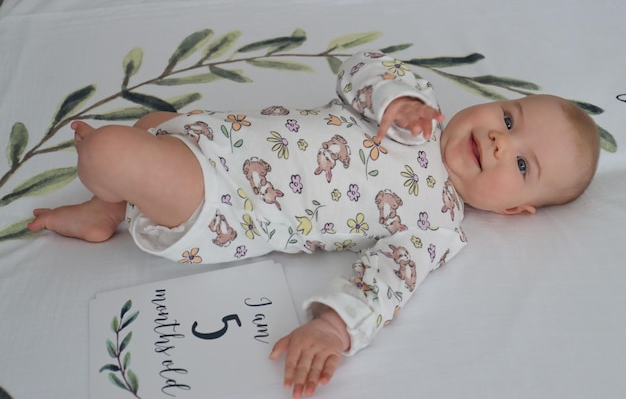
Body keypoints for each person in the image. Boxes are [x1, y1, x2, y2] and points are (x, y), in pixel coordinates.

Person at [28, 50, 600, 398]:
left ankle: (112, 186)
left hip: (225, 202)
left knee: (107, 153)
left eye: (523, 164)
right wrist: (394, 97)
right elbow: (358, 69)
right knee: (155, 122)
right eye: (509, 118)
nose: (502, 141)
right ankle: (108, 211)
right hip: (211, 135)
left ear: (512, 211)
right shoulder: (417, 107)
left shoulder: (436, 226)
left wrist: (333, 329)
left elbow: (388, 281)